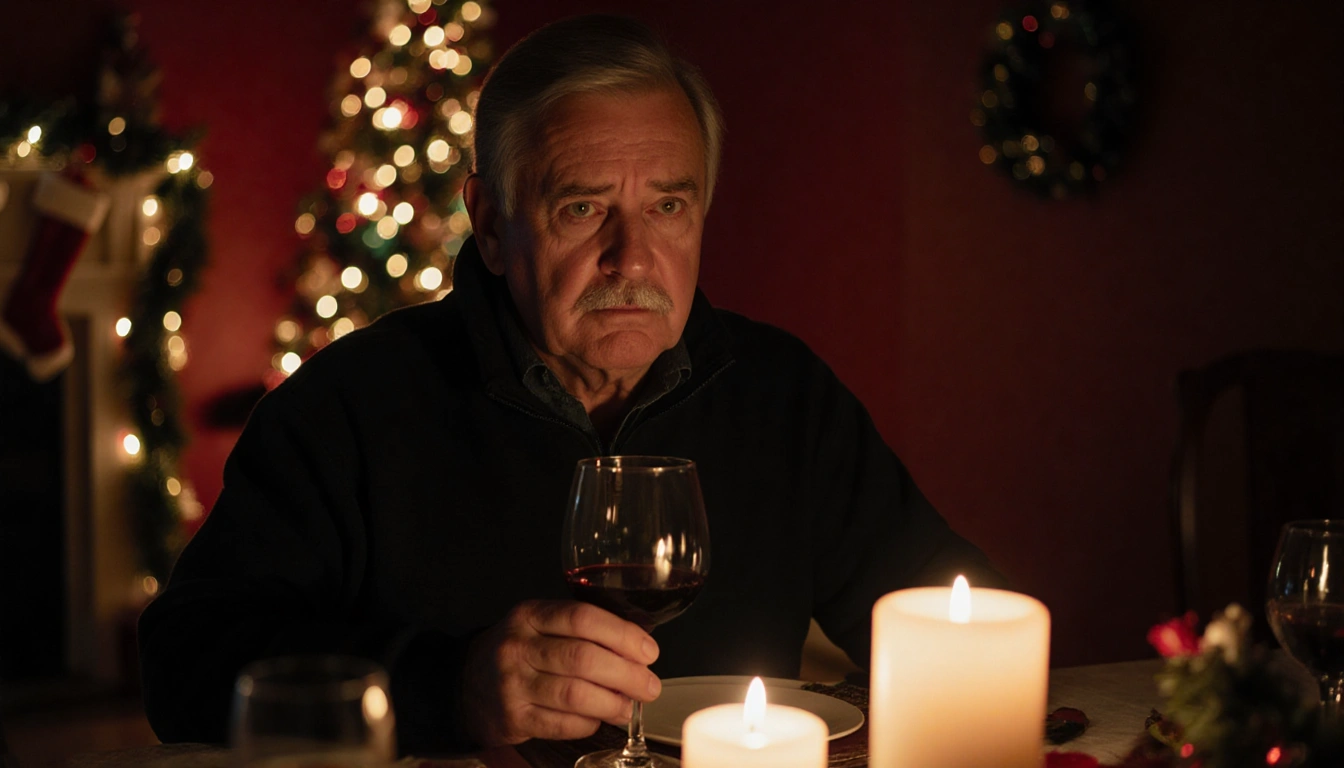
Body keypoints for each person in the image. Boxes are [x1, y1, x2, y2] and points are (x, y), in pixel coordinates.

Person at [138, 14, 1004, 754]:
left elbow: (946, 612)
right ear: (488, 223)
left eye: (668, 207)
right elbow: (184, 664)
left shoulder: (783, 395)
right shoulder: (349, 407)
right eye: (583, 208)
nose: (633, 258)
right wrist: (447, 688)